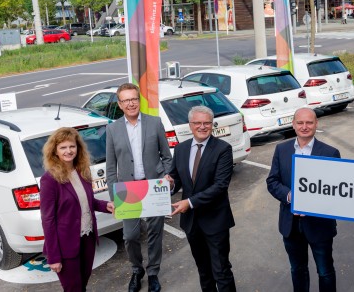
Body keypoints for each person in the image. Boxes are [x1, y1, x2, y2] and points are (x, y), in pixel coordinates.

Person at [105, 83, 172, 292]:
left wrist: (167, 177)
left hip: (153, 186)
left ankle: (153, 272)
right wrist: (114, 197)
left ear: (139, 99)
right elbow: (110, 168)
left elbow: (167, 157)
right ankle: (137, 270)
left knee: (155, 233)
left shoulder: (155, 123)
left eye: (134, 98)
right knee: (130, 236)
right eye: (126, 100)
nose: (131, 103)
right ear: (120, 104)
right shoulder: (112, 129)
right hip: (128, 191)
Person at [266, 107, 339, 292]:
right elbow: (272, 181)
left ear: (316, 124)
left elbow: (336, 191)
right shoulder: (281, 149)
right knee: (297, 269)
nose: (304, 126)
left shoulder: (330, 153)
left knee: (325, 271)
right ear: (293, 124)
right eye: (300, 122)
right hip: (290, 225)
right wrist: (291, 196)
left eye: (309, 122)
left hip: (319, 225)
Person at [167, 105, 236, 292]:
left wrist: (189, 202)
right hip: (191, 223)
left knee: (221, 270)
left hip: (215, 221)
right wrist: (169, 184)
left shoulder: (223, 149)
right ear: (190, 125)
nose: (202, 127)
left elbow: (220, 186)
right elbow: (177, 180)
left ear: (212, 125)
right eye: (197, 123)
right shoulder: (180, 149)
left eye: (207, 123)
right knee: (203, 271)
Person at [40, 127, 112, 292]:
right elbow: (48, 220)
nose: (68, 151)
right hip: (65, 245)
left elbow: (87, 201)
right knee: (73, 289)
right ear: (55, 151)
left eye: (72, 146)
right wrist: (54, 256)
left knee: (82, 285)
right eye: (63, 147)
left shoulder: (82, 171)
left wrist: (106, 206)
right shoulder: (49, 179)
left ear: (78, 148)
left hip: (87, 238)